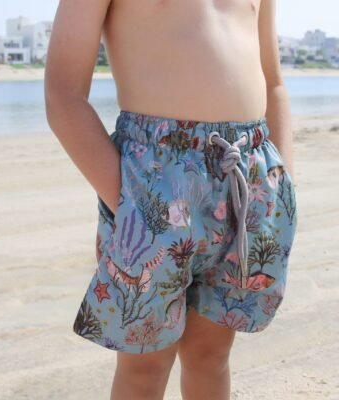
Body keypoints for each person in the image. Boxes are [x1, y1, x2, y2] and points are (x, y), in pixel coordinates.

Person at [44, 0, 298, 399]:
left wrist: (283, 185)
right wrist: (131, 206)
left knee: (211, 355)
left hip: (248, 182)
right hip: (152, 181)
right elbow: (63, 93)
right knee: (144, 366)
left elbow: (273, 84)